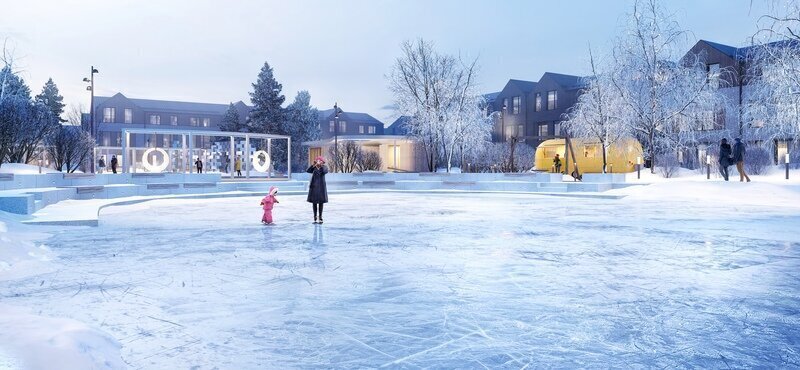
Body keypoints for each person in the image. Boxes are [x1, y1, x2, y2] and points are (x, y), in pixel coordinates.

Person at [307, 156, 329, 224]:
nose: (318, 162)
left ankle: (320, 216)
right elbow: (308, 171)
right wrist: (313, 165)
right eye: (317, 160)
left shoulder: (324, 167)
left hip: (321, 188)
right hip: (314, 187)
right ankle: (315, 216)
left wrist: (321, 166)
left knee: (321, 203)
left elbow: (325, 171)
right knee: (314, 203)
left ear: (322, 161)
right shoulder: (314, 167)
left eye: (320, 160)